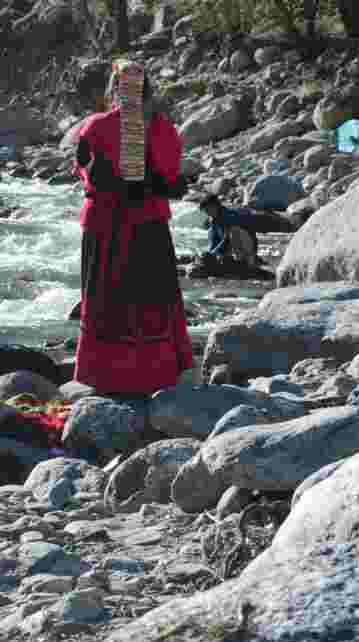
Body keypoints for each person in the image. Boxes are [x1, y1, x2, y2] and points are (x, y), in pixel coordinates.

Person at [72, 59, 193, 395]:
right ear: (149, 92)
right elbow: (172, 180)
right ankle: (157, 373)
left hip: (105, 226)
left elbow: (88, 173)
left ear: (113, 90)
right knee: (151, 299)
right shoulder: (163, 130)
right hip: (148, 226)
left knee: (107, 300)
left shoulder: (95, 127)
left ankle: (107, 376)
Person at [199, 194, 258, 260]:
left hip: (247, 248)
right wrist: (209, 255)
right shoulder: (213, 221)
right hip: (231, 248)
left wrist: (213, 253)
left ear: (215, 206)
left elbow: (226, 240)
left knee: (234, 232)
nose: (207, 214)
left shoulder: (229, 216)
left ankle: (242, 260)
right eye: (205, 211)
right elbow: (214, 244)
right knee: (211, 231)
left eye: (207, 210)